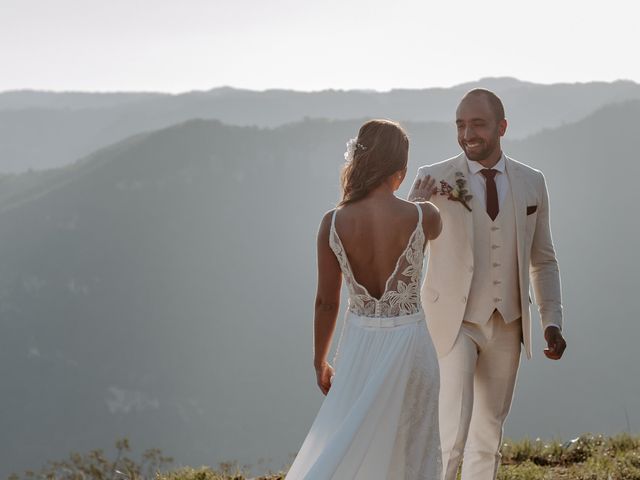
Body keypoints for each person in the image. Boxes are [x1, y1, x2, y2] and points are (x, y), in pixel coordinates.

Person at [408, 88, 567, 480]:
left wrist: (552, 320)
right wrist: (413, 208)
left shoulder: (533, 182)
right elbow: (408, 250)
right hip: (452, 322)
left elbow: (542, 258)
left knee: (488, 434)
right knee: (451, 432)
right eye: (460, 125)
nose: (467, 133)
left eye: (477, 124)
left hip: (509, 323)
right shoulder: (434, 178)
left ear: (502, 127)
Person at [286, 119, 443, 479]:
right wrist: (418, 202)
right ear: (400, 171)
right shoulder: (424, 215)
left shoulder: (332, 222)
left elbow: (326, 301)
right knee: (412, 445)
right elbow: (431, 227)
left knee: (353, 440)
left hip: (358, 346)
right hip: (410, 344)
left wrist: (319, 360)